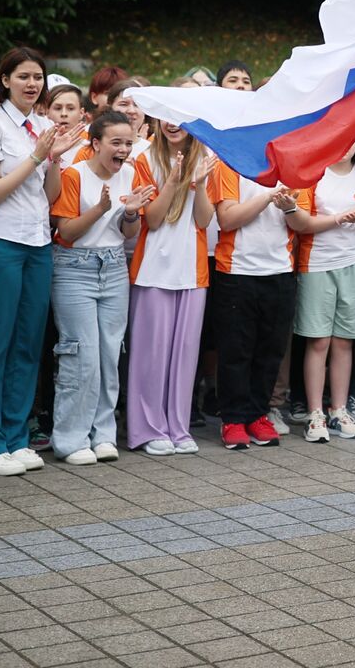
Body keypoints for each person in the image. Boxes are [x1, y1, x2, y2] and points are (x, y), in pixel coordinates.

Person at [0, 48, 83, 476]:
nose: (33, 84)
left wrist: (51, 157)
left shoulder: (42, 125)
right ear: (6, 80)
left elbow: (51, 196)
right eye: (24, 76)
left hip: (37, 244)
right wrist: (37, 156)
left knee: (27, 345)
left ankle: (16, 438)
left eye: (38, 77)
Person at [49, 112, 153, 465]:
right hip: (74, 268)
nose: (124, 149)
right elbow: (66, 232)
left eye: (128, 142)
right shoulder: (74, 175)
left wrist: (129, 215)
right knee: (81, 355)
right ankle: (70, 439)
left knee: (110, 354)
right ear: (95, 143)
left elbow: (128, 234)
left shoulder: (131, 173)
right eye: (116, 142)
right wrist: (101, 209)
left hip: (113, 267)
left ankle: (103, 434)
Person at [126, 118, 216, 455]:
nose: (171, 124)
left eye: (179, 117)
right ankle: (148, 428)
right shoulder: (144, 158)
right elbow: (152, 218)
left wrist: (201, 183)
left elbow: (205, 220)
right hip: (153, 269)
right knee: (151, 354)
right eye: (165, 116)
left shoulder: (207, 156)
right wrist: (176, 181)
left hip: (192, 271)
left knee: (184, 355)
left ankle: (177, 427)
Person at [207, 156, 299, 450]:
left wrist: (289, 207)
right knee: (236, 349)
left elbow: (300, 221)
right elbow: (227, 218)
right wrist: (267, 196)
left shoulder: (291, 162)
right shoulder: (229, 161)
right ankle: (233, 418)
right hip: (237, 270)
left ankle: (257, 413)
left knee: (270, 349)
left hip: (280, 269)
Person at [294, 140, 355, 443]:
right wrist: (338, 219)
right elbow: (301, 223)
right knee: (318, 341)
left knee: (344, 342)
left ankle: (339, 409)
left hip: (353, 263)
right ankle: (315, 413)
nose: (346, 144)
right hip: (316, 264)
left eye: (353, 137)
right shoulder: (314, 173)